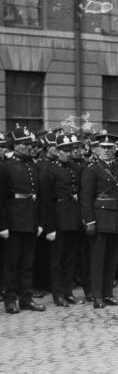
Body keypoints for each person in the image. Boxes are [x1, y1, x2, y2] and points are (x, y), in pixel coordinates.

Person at [0, 127, 45, 313]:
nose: (29, 148)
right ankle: (10, 299)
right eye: (25, 145)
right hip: (13, 221)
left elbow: (37, 197)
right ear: (16, 146)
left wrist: (39, 222)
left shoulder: (32, 167)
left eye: (30, 144)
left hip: (30, 220)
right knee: (12, 263)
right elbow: (1, 199)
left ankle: (26, 298)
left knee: (28, 263)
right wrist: (2, 225)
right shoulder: (5, 167)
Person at [80, 132, 118, 309]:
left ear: (115, 149)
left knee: (112, 258)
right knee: (98, 259)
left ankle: (108, 293)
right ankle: (97, 295)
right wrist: (89, 221)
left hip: (116, 218)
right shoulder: (91, 170)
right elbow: (86, 198)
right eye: (104, 148)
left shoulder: (117, 168)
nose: (107, 151)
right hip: (100, 219)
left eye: (110, 148)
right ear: (97, 149)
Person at [39, 134, 84, 306]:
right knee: (57, 259)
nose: (68, 153)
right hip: (58, 219)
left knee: (70, 258)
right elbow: (46, 201)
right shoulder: (49, 170)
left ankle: (68, 291)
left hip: (72, 218)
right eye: (64, 150)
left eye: (70, 150)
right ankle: (57, 294)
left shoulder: (74, 168)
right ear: (57, 151)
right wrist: (50, 227)